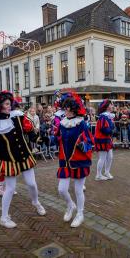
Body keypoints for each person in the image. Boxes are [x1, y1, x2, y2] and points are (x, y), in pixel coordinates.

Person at [0, 91, 46, 229]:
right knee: (10, 189)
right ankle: (4, 217)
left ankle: (35, 202)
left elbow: (30, 130)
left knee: (32, 184)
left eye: (9, 103)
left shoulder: (18, 116)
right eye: (6, 104)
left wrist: (39, 139)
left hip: (24, 155)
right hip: (7, 159)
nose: (9, 106)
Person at [56, 93, 94, 227]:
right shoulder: (62, 123)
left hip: (78, 161)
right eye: (65, 107)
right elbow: (59, 140)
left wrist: (82, 144)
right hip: (65, 161)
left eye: (68, 107)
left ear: (74, 108)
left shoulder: (81, 124)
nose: (66, 110)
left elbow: (89, 142)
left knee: (78, 190)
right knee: (61, 189)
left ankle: (80, 214)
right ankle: (70, 205)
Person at [94, 99, 115, 180]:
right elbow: (104, 129)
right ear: (107, 106)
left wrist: (111, 128)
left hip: (106, 139)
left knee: (110, 157)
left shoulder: (108, 116)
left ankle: (106, 172)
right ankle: (98, 175)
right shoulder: (103, 117)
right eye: (111, 104)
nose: (112, 106)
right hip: (101, 139)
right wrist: (112, 128)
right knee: (102, 157)